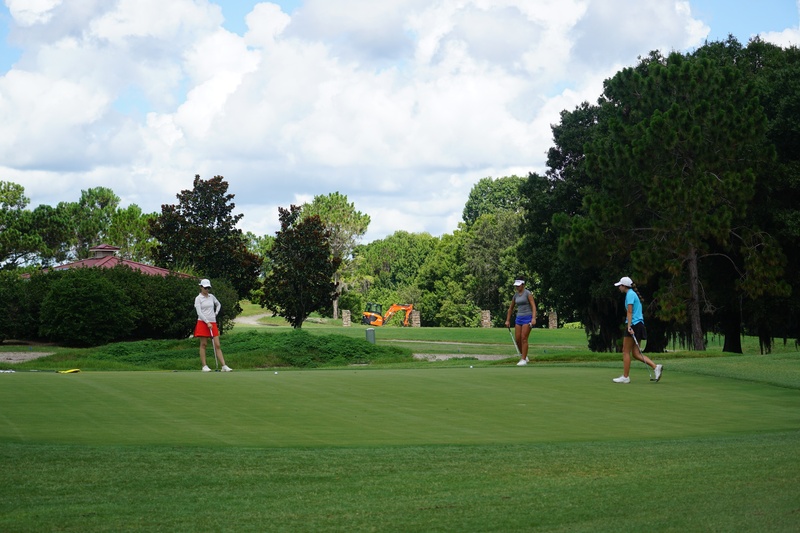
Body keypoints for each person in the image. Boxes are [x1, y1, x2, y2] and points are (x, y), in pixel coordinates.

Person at [612, 276, 661, 383]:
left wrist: (629, 326)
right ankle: (655, 367)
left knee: (625, 351)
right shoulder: (632, 294)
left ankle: (625, 377)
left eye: (620, 285)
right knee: (636, 353)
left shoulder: (630, 294)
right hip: (638, 325)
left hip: (633, 325)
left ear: (624, 286)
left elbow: (630, 311)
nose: (619, 287)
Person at [194, 279, 232, 372]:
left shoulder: (211, 297)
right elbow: (199, 312)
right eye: (205, 288)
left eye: (208, 288)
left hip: (213, 322)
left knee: (217, 345)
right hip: (203, 322)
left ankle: (224, 366)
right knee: (204, 344)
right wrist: (207, 322)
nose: (207, 290)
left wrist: (216, 313)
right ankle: (204, 366)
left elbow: (218, 304)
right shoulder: (198, 298)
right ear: (201, 287)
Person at [505, 279, 537, 366]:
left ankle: (523, 359)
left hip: (528, 317)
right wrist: (507, 320)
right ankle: (524, 355)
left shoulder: (527, 293)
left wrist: (533, 318)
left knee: (524, 338)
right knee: (518, 339)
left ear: (523, 285)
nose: (517, 287)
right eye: (516, 286)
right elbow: (511, 308)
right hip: (519, 318)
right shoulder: (515, 295)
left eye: (518, 286)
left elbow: (533, 306)